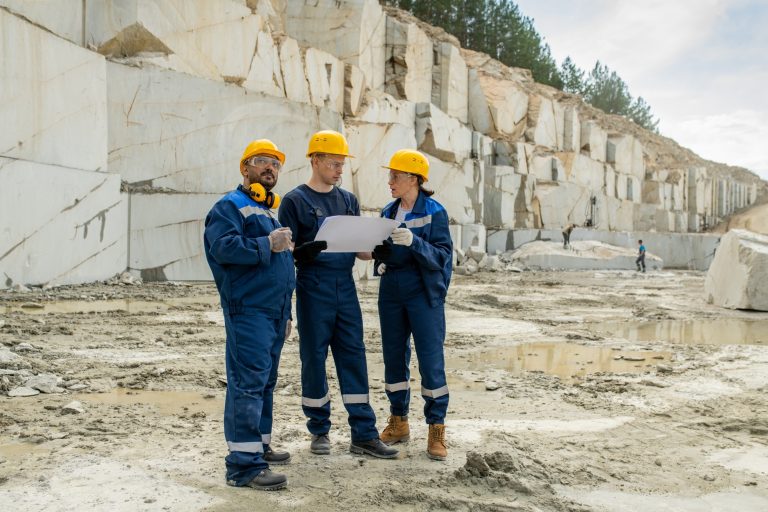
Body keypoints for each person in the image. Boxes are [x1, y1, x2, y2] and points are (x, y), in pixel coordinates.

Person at [278, 130, 398, 459]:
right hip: (313, 286)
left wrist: (377, 248)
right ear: (315, 161)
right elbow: (285, 252)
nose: (339, 170)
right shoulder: (294, 201)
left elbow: (358, 249)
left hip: (345, 287)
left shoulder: (347, 200)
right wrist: (304, 251)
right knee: (314, 359)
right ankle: (319, 431)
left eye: (342, 165)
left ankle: (363, 433)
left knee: (353, 356)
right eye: (333, 163)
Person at [203, 140, 295, 491]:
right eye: (261, 162)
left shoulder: (270, 210)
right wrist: (265, 244)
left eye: (275, 164)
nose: (270, 168)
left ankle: (259, 447)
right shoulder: (230, 205)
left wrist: (287, 312)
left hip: (273, 312)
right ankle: (243, 466)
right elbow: (222, 247)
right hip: (248, 310)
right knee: (248, 383)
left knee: (265, 382)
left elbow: (283, 266)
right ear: (245, 169)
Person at [372, 149, 453, 461]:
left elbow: (443, 258)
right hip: (391, 290)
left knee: (431, 362)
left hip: (423, 293)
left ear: (414, 179)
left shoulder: (435, 213)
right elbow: (380, 250)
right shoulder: (387, 212)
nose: (390, 181)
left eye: (396, 176)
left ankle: (436, 429)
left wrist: (415, 243)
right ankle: (399, 421)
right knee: (394, 358)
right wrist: (379, 261)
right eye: (390, 175)